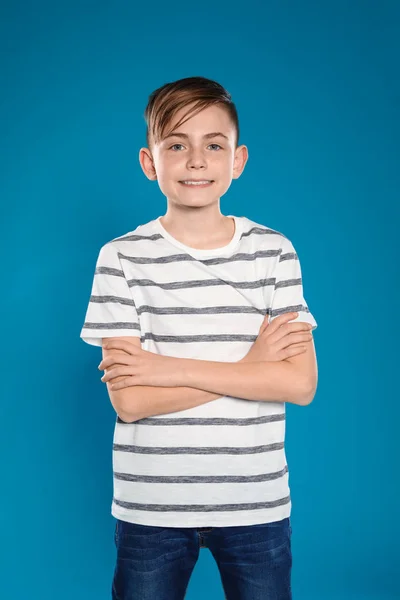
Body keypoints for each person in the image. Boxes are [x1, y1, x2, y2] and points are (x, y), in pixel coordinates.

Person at [80, 76, 318, 600]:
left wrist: (170, 367)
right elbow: (132, 399)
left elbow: (299, 384)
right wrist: (254, 369)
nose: (196, 161)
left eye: (214, 145)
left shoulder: (274, 252)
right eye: (176, 145)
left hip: (256, 501)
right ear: (150, 162)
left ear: (237, 160)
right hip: (152, 506)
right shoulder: (120, 257)